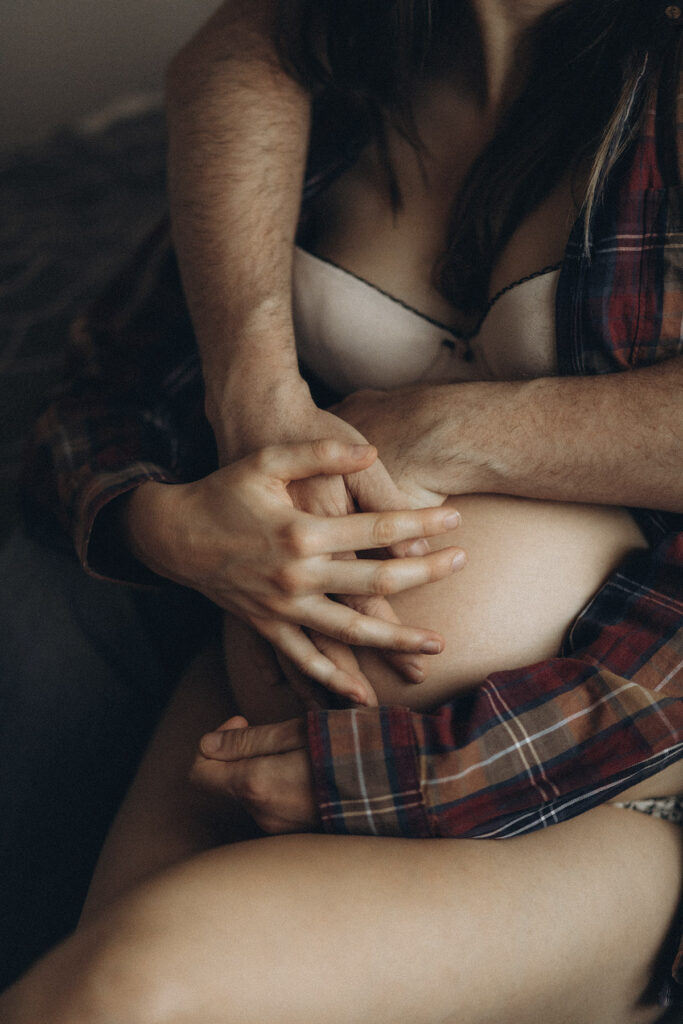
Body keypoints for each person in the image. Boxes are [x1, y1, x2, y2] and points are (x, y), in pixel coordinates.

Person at [2, 0, 683, 1020]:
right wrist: (167, 525)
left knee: (128, 993)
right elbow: (110, 391)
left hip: (581, 778)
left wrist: (413, 772)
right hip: (244, 718)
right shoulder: (324, 81)